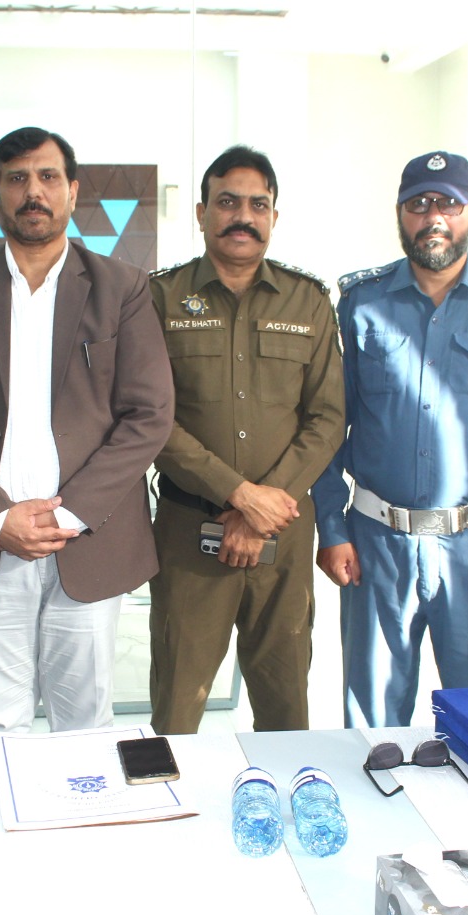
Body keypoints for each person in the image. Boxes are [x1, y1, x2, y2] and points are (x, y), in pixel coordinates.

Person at [0, 127, 172, 740]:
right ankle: (5, 835)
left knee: (84, 720)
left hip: (89, 537)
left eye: (49, 177)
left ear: (74, 191)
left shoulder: (123, 287)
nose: (35, 192)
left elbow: (149, 414)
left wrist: (72, 514)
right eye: (18, 179)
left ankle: (79, 833)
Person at [313, 150, 468, 727]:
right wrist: (331, 524)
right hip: (377, 546)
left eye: (448, 203)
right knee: (372, 730)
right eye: (419, 204)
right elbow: (326, 426)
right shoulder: (360, 304)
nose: (434, 217)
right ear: (400, 215)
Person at [147, 145, 343, 733]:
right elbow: (151, 419)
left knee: (285, 708)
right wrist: (238, 493)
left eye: (259, 204)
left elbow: (328, 418)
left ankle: (280, 814)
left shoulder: (308, 301)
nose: (243, 215)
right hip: (188, 535)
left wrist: (261, 508)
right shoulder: (160, 299)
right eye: (227, 201)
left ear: (274, 218)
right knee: (178, 709)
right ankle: (174, 817)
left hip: (282, 537)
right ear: (202, 212)